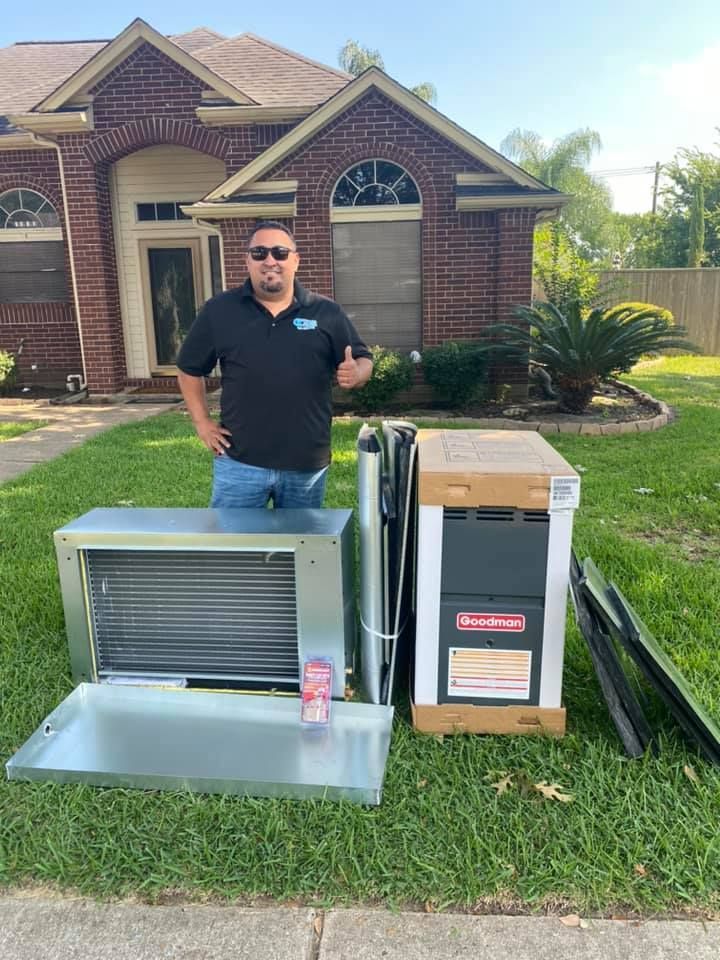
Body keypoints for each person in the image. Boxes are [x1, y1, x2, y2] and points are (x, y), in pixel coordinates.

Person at [176, 221, 373, 508]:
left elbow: (363, 359)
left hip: (306, 464)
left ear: (296, 260)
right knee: (237, 548)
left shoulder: (327, 312)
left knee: (302, 548)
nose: (270, 260)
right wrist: (202, 422)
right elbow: (189, 368)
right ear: (247, 260)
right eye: (259, 252)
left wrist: (358, 373)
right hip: (239, 462)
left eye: (280, 252)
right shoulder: (220, 311)